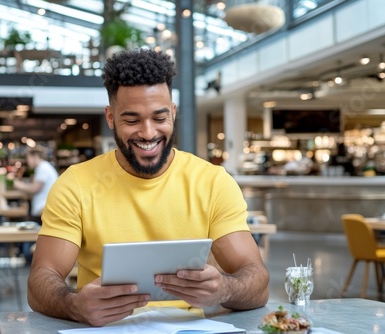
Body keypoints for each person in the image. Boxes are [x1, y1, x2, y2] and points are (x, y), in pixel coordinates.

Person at [27, 49, 269, 326]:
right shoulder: (75, 184)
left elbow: (257, 282)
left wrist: (224, 290)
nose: (148, 133)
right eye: (131, 120)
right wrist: (73, 305)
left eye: (159, 118)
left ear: (173, 113)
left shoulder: (213, 182)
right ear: (110, 118)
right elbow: (39, 282)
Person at [13, 146, 58, 224]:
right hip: (45, 210)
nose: (27, 161)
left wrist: (18, 185)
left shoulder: (43, 168)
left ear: (35, 156)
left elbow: (35, 188)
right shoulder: (44, 167)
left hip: (44, 210)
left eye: (28, 158)